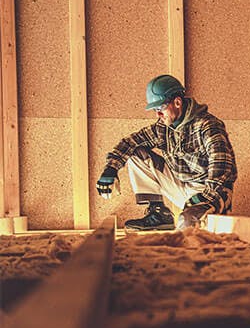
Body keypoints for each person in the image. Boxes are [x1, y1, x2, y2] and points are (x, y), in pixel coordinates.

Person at [96, 74, 237, 232]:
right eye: (155, 110)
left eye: (160, 108)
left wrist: (205, 197)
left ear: (177, 102)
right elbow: (129, 142)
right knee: (135, 153)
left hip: (211, 191)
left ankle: (196, 214)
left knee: (187, 223)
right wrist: (111, 168)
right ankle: (159, 214)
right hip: (181, 185)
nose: (158, 115)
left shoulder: (207, 125)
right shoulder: (163, 128)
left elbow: (222, 166)